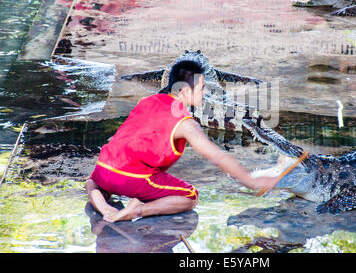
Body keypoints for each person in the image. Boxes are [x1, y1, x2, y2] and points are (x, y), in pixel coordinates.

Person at [85, 60, 278, 223]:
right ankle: (136, 210)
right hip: (132, 178)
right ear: (185, 91)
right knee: (190, 197)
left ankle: (103, 207)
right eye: (202, 88)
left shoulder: (146, 100)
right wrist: (251, 181)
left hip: (103, 168)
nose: (205, 92)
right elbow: (217, 156)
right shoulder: (186, 124)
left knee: (93, 182)